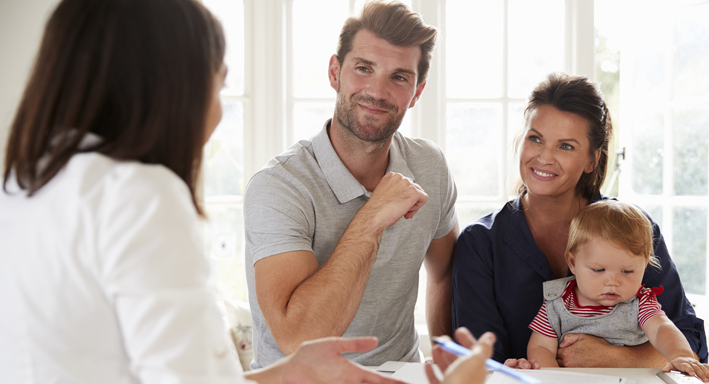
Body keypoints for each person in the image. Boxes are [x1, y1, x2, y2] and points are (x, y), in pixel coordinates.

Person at [0, 0, 483, 383]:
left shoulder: (26, 184)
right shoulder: (142, 195)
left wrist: (283, 375)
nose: (215, 111)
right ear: (171, 86)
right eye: (217, 85)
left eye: (398, 76)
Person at [244, 0, 458, 368]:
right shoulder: (278, 187)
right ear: (334, 72)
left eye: (399, 77)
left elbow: (446, 273)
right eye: (364, 68)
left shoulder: (430, 166)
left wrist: (443, 358)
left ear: (417, 92)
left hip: (401, 376)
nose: (377, 91)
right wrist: (373, 216)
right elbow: (298, 337)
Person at [451, 72, 708, 368]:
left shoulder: (635, 229)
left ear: (592, 160)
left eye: (566, 146)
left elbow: (691, 344)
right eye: (535, 139)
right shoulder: (480, 244)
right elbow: (479, 361)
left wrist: (615, 358)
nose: (544, 157)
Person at [523, 201, 709, 381]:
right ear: (573, 263)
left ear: (644, 266)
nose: (613, 282)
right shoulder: (557, 303)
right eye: (599, 270)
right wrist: (555, 379)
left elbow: (661, 329)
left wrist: (680, 355)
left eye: (627, 271)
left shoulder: (641, 303)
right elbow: (540, 347)